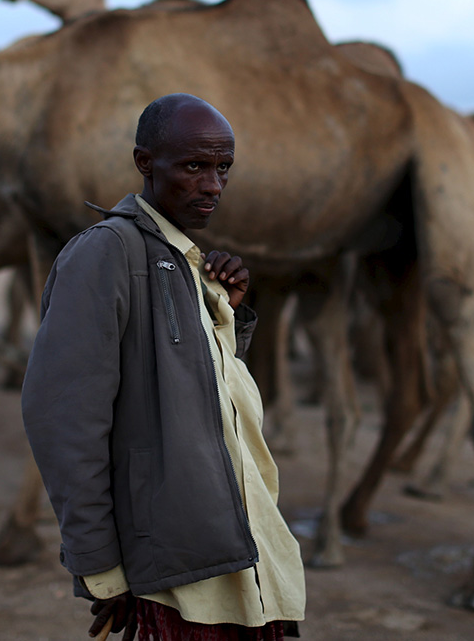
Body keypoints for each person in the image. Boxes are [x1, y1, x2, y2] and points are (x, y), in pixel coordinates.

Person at [22, 93, 305, 640]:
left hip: (244, 549)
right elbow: (64, 419)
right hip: (178, 575)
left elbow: (201, 398)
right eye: (194, 167)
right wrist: (100, 566)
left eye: (222, 168)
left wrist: (225, 312)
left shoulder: (184, 258)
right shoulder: (106, 253)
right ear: (145, 162)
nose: (213, 186)